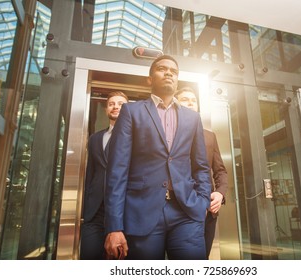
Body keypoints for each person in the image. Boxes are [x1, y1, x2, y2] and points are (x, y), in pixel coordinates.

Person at [104, 55, 211, 260]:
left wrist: (203, 201)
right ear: (150, 79)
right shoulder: (131, 111)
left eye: (174, 71)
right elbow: (117, 170)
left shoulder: (193, 117)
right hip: (141, 213)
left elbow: (201, 165)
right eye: (162, 68)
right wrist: (114, 226)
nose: (169, 72)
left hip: (186, 212)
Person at [175, 87, 228, 259]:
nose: (190, 102)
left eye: (193, 100)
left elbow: (220, 170)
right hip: (175, 208)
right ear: (175, 104)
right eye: (184, 99)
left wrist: (219, 194)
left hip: (207, 209)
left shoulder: (210, 136)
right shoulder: (167, 133)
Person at [80, 91, 128, 260]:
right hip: (95, 211)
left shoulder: (137, 137)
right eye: (111, 104)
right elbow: (91, 173)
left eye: (121, 104)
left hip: (124, 210)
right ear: (106, 109)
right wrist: (86, 206)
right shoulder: (95, 138)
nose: (116, 106)